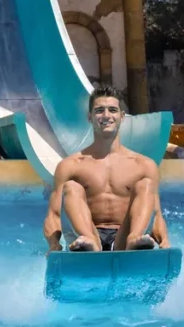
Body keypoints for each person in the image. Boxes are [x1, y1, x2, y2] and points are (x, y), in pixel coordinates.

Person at [43, 86, 170, 253]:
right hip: (86, 236)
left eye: (112, 110)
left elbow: (156, 214)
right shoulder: (70, 165)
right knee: (71, 187)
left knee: (145, 185)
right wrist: (54, 244)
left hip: (124, 238)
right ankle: (89, 241)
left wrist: (165, 242)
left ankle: (134, 239)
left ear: (122, 116)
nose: (106, 115)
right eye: (99, 110)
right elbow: (54, 214)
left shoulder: (144, 165)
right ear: (90, 117)